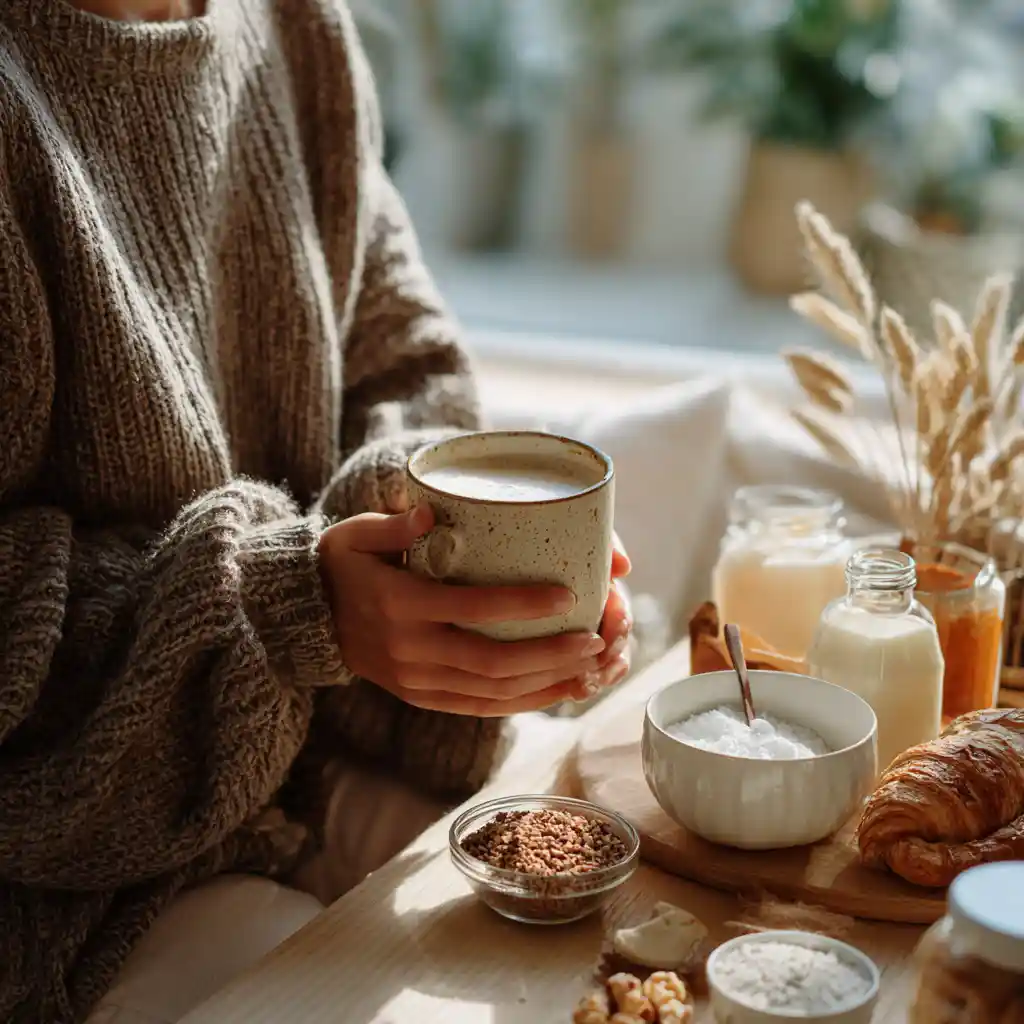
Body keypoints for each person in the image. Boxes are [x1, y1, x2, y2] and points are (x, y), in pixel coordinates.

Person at [0, 1, 634, 1022]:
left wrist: (428, 548)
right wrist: (290, 606)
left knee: (626, 930)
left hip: (310, 768)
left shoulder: (297, 27)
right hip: (68, 893)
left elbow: (404, 362)